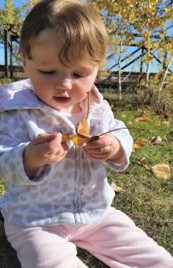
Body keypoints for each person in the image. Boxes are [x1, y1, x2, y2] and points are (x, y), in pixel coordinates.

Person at [0, 0, 173, 267]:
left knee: (157, 259)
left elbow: (122, 133)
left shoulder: (97, 108)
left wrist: (114, 145)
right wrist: (28, 157)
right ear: (26, 59)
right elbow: (3, 158)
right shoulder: (14, 110)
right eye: (48, 71)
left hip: (96, 215)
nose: (65, 84)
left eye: (80, 73)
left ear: (97, 67)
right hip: (34, 221)